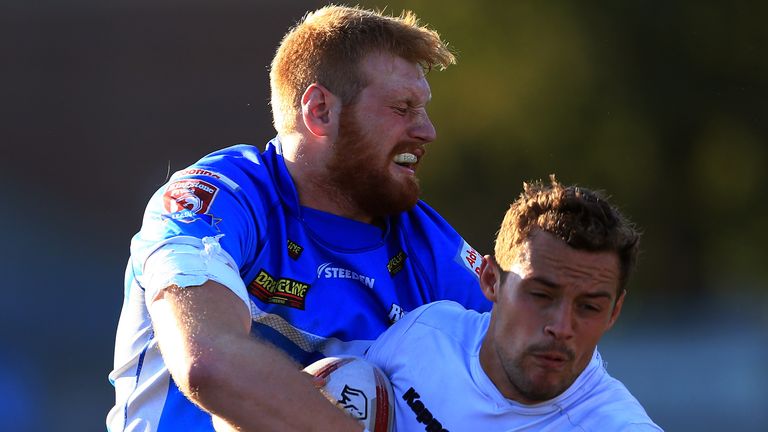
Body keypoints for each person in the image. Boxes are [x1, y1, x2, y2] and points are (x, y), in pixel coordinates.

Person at [106, 5, 491, 432]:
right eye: (402, 108)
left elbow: (532, 378)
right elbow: (208, 362)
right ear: (320, 111)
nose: (427, 131)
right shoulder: (220, 199)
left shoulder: (429, 243)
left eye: (423, 109)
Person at [364, 176, 663, 431]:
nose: (561, 328)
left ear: (614, 313)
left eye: (589, 307)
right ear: (491, 280)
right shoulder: (424, 334)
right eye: (541, 295)